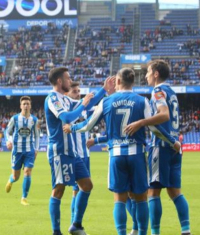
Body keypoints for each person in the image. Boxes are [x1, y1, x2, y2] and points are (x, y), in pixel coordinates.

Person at [63, 68, 180, 235]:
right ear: (132, 82)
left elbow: (88, 124)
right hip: (137, 155)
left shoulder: (107, 101)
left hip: (116, 155)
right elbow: (155, 128)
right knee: (140, 199)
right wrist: (172, 141)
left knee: (119, 199)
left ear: (117, 82)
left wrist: (71, 127)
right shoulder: (142, 101)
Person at [44, 66, 115, 235]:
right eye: (68, 78)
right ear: (60, 81)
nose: (70, 80)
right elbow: (67, 118)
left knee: (87, 185)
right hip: (59, 152)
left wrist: (104, 89)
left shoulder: (66, 100)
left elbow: (88, 104)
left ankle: (76, 225)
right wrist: (82, 105)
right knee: (58, 190)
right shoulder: (52, 98)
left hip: (73, 153)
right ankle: (56, 231)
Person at [125, 60, 190, 235]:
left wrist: (141, 122)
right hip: (175, 146)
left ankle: (155, 232)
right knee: (175, 191)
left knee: (153, 192)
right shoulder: (172, 92)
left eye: (147, 72)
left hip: (161, 145)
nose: (145, 75)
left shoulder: (157, 91)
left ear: (155, 74)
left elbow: (163, 115)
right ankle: (186, 230)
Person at [5, 96, 40, 206]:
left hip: (29, 150)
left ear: (30, 106)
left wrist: (37, 149)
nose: (25, 105)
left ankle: (24, 197)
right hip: (17, 151)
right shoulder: (15, 119)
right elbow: (7, 132)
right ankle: (11, 180)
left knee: (28, 171)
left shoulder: (34, 120)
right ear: (20, 106)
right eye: (24, 104)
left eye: (27, 104)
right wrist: (8, 141)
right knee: (16, 176)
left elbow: (37, 136)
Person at [66, 82, 92, 224]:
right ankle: (74, 222)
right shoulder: (68, 111)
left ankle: (76, 222)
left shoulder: (85, 110)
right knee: (76, 191)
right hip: (75, 156)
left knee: (83, 190)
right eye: (75, 92)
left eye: (79, 91)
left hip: (86, 154)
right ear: (68, 94)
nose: (78, 94)